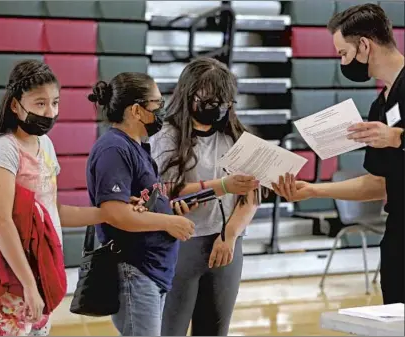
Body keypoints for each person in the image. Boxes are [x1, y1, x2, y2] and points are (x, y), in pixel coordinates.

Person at [0, 60, 160, 336]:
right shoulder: (3, 149)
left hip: (42, 270)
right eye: (40, 103)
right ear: (16, 105)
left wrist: (112, 211)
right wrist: (28, 284)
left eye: (55, 102)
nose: (50, 111)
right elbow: (0, 220)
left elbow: (55, 212)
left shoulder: (45, 146)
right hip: (9, 275)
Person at [273, 4, 404, 305]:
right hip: (397, 234)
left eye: (344, 53)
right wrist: (313, 190)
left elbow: (397, 140)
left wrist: (398, 137)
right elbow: (377, 184)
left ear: (365, 46)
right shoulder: (379, 107)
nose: (343, 62)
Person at [150, 57, 260, 336]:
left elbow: (251, 196)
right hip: (180, 243)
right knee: (169, 330)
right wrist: (222, 185)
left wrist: (231, 235)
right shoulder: (166, 135)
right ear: (189, 94)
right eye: (209, 99)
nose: (218, 106)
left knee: (214, 331)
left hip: (227, 245)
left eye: (224, 100)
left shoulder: (236, 136)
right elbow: (166, 189)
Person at [85, 73, 196, 336]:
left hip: (151, 270)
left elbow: (139, 204)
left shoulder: (137, 146)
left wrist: (168, 210)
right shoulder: (113, 149)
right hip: (134, 269)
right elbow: (114, 213)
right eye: (157, 103)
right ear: (136, 110)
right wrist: (169, 221)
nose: (162, 110)